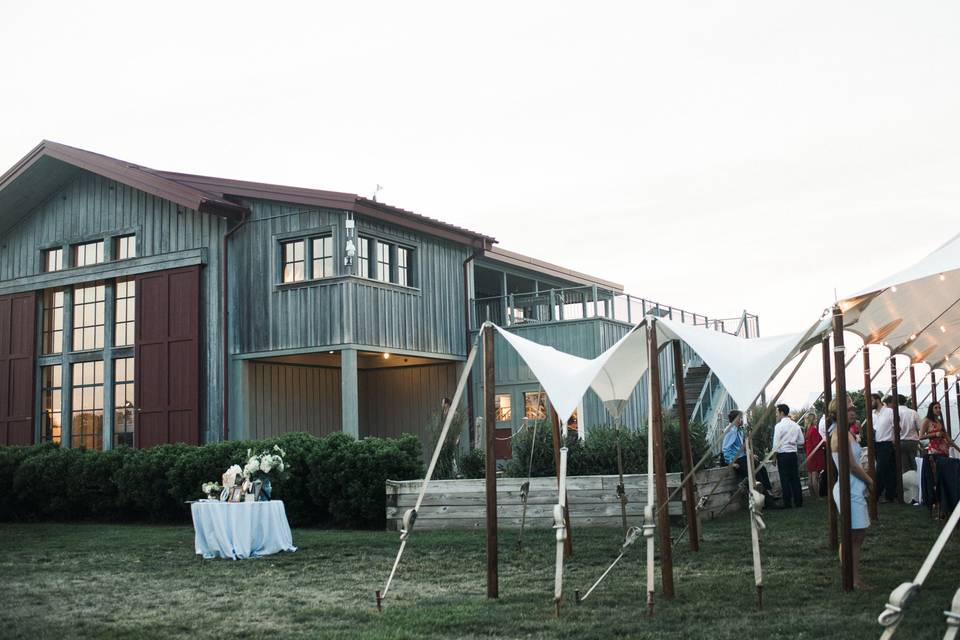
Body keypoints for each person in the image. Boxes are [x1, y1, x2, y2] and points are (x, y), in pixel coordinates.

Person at [828, 397, 874, 590]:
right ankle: (852, 578)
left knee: (858, 535)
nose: (854, 411)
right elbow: (852, 466)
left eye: (854, 407)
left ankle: (854, 575)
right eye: (849, 408)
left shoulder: (846, 432)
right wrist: (870, 481)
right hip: (848, 489)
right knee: (851, 536)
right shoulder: (839, 434)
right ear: (838, 412)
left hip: (854, 487)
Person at [722, 409, 774, 495]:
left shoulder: (738, 430)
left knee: (762, 468)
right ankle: (766, 498)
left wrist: (751, 454)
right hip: (739, 459)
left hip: (744, 457)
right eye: (740, 418)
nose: (741, 420)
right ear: (735, 419)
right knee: (757, 475)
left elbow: (743, 446)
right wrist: (731, 463)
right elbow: (726, 448)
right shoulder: (731, 431)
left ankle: (769, 492)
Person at [772, 404, 805, 507]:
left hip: (783, 455)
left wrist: (774, 457)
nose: (777, 415)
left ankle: (787, 502)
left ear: (781, 412)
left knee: (784, 479)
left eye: (777, 412)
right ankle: (798, 501)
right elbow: (801, 441)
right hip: (793, 454)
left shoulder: (779, 426)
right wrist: (792, 442)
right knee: (795, 478)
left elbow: (775, 443)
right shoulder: (796, 425)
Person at [873, 396, 897, 502]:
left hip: (887, 443)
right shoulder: (873, 414)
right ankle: (890, 495)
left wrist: (894, 441)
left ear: (877, 400)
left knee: (880, 470)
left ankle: (876, 494)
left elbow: (896, 427)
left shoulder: (889, 412)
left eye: (871, 400)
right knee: (887, 471)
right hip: (876, 444)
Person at [898, 395, 922, 472]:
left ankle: (906, 482)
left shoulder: (894, 412)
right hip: (913, 442)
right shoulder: (913, 412)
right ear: (905, 401)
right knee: (915, 465)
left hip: (900, 442)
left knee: (904, 467)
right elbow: (919, 427)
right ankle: (917, 481)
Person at [803, 411, 824, 499]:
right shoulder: (814, 430)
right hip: (814, 454)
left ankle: (812, 495)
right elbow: (816, 443)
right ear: (813, 420)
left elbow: (804, 444)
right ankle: (817, 496)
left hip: (808, 453)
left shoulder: (807, 430)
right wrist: (824, 443)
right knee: (815, 476)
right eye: (815, 419)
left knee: (810, 476)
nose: (816, 420)